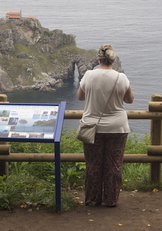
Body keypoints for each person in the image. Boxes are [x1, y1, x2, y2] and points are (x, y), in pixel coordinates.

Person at [76, 44, 134, 207]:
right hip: (117, 127)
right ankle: (110, 200)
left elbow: (80, 96)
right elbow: (129, 99)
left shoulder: (88, 75)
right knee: (114, 165)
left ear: (98, 59)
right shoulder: (121, 78)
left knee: (93, 164)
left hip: (92, 127)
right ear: (113, 60)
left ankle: (92, 200)